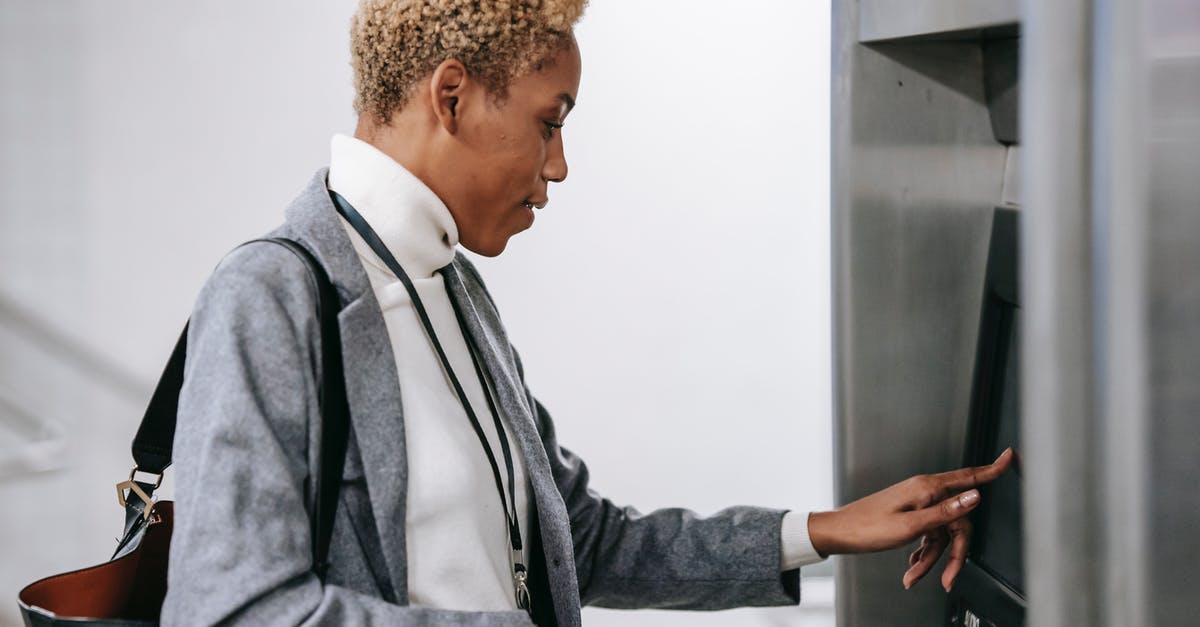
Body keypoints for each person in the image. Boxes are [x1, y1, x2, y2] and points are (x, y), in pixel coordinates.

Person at [160, 1, 1014, 625]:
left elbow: (582, 538)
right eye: (548, 122)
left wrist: (821, 531)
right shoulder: (271, 297)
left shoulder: (450, 288)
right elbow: (230, 609)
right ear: (450, 96)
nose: (559, 166)